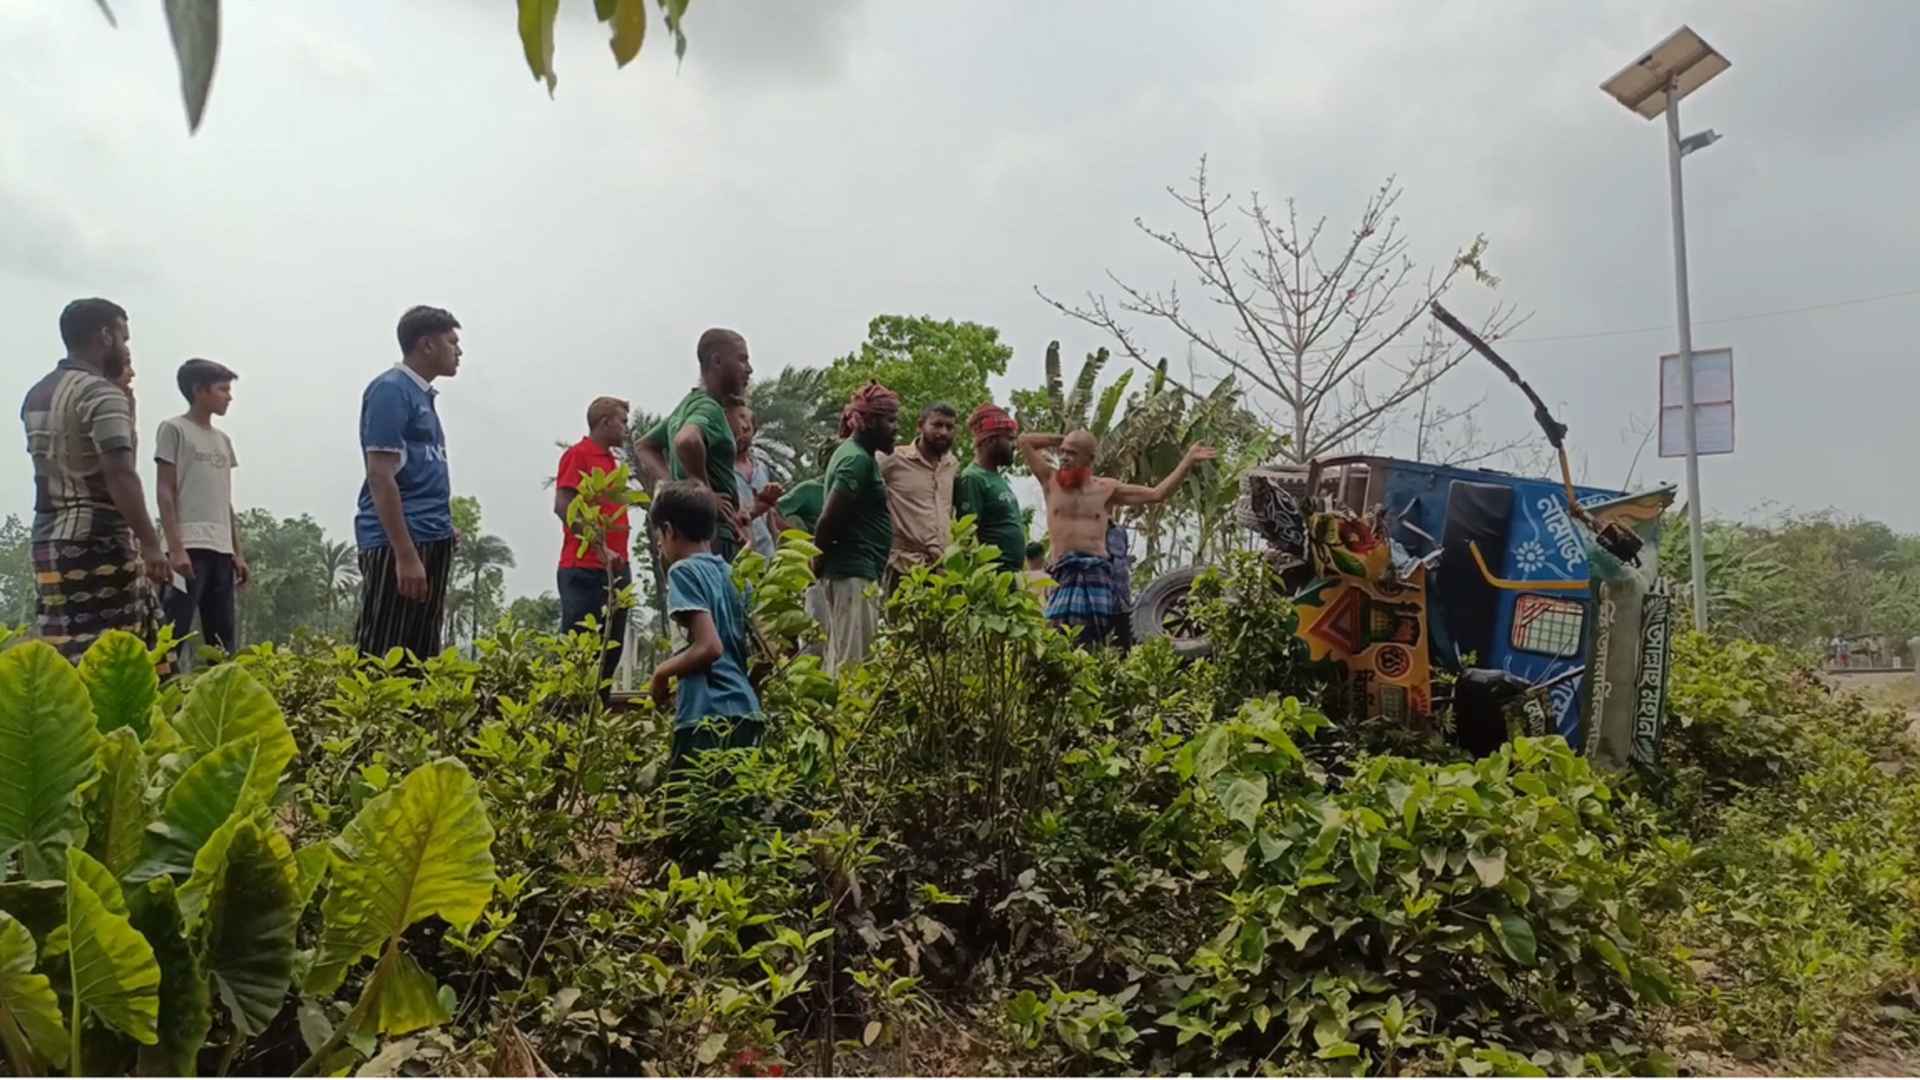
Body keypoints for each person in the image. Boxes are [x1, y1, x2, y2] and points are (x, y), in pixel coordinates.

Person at [20, 298, 170, 660]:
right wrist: (151, 545)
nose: (125, 347)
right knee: (116, 660)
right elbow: (120, 474)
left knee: (68, 656)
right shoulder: (101, 394)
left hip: (49, 542)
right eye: (124, 338)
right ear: (105, 336)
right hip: (99, 544)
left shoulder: (37, 394)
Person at [1019, 428, 1214, 646]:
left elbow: (1158, 494)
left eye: (1072, 453)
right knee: (1058, 641)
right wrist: (1062, 439)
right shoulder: (1050, 481)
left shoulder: (1106, 489)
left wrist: (1187, 461)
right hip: (1063, 576)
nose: (1064, 458)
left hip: (1097, 576)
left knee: (1099, 642)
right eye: (1062, 452)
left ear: (1089, 459)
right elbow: (1025, 441)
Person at [353, 305, 462, 661]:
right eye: (452, 342)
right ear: (426, 345)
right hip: (401, 541)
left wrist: (444, 526)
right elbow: (381, 476)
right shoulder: (391, 390)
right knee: (386, 653)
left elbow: (417, 471)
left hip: (431, 535)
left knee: (420, 655)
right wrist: (404, 553)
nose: (458, 351)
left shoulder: (423, 397)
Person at [648, 481, 762, 772]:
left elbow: (709, 647)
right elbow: (763, 653)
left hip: (705, 715)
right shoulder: (734, 574)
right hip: (747, 710)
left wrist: (661, 674)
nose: (660, 545)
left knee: (685, 812)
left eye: (659, 536)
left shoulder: (683, 571)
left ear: (669, 531)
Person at [155, 358, 249, 661]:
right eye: (222, 389)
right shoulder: (174, 429)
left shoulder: (223, 441)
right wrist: (176, 548)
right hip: (187, 548)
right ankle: (162, 698)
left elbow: (225, 499)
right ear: (199, 390)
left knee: (222, 639)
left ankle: (219, 697)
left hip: (220, 549)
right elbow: (165, 490)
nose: (229, 396)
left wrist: (237, 551)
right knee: (172, 631)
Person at [635, 328, 753, 561]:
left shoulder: (687, 405)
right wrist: (704, 492)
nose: (749, 369)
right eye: (742, 359)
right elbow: (686, 440)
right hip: (711, 537)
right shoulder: (708, 408)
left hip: (693, 537)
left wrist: (674, 487)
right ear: (717, 361)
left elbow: (644, 446)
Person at [812, 382, 900, 673]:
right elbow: (829, 520)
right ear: (870, 422)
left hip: (858, 574)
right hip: (852, 574)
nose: (896, 428)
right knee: (854, 669)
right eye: (890, 420)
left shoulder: (860, 456)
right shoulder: (855, 461)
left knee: (847, 662)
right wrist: (817, 561)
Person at [555, 396, 633, 692]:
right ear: (605, 422)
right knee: (578, 652)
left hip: (617, 569)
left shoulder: (613, 463)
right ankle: (569, 716)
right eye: (622, 421)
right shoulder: (578, 455)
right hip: (584, 569)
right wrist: (600, 549)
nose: (626, 428)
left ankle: (598, 715)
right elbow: (564, 506)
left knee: (610, 650)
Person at [878, 402, 958, 584]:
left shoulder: (951, 465)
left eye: (949, 427)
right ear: (920, 425)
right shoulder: (894, 459)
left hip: (941, 571)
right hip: (903, 567)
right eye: (937, 425)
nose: (944, 432)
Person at [952, 403, 1025, 573]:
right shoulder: (973, 478)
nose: (1015, 445)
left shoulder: (997, 478)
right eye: (1010, 439)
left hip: (1011, 576)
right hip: (992, 577)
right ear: (990, 440)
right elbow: (967, 534)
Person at [727, 401, 784, 560]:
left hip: (767, 555)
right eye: (735, 429)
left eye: (746, 429)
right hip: (739, 556)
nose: (741, 434)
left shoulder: (763, 467)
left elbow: (770, 516)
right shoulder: (722, 471)